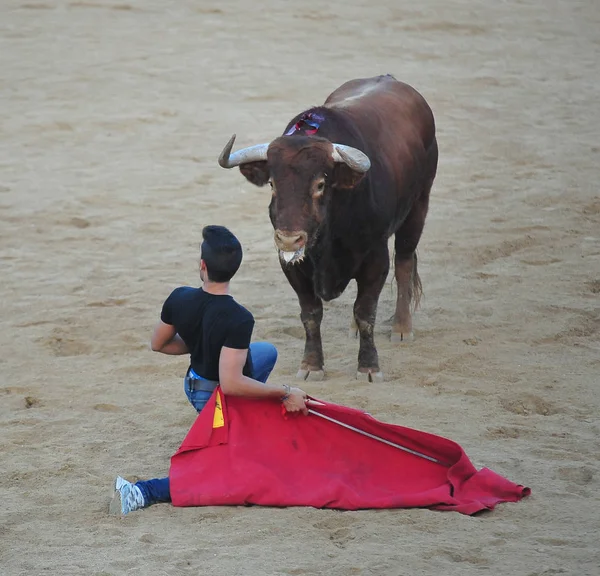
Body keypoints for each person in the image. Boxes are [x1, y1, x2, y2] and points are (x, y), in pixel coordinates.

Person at [110, 225, 308, 516]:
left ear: (202, 265)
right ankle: (143, 492)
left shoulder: (179, 297)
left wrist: (200, 340)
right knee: (230, 468)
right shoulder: (239, 318)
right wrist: (286, 392)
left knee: (266, 352)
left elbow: (159, 344)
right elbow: (230, 385)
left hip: (193, 382)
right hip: (216, 398)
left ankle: (242, 421)